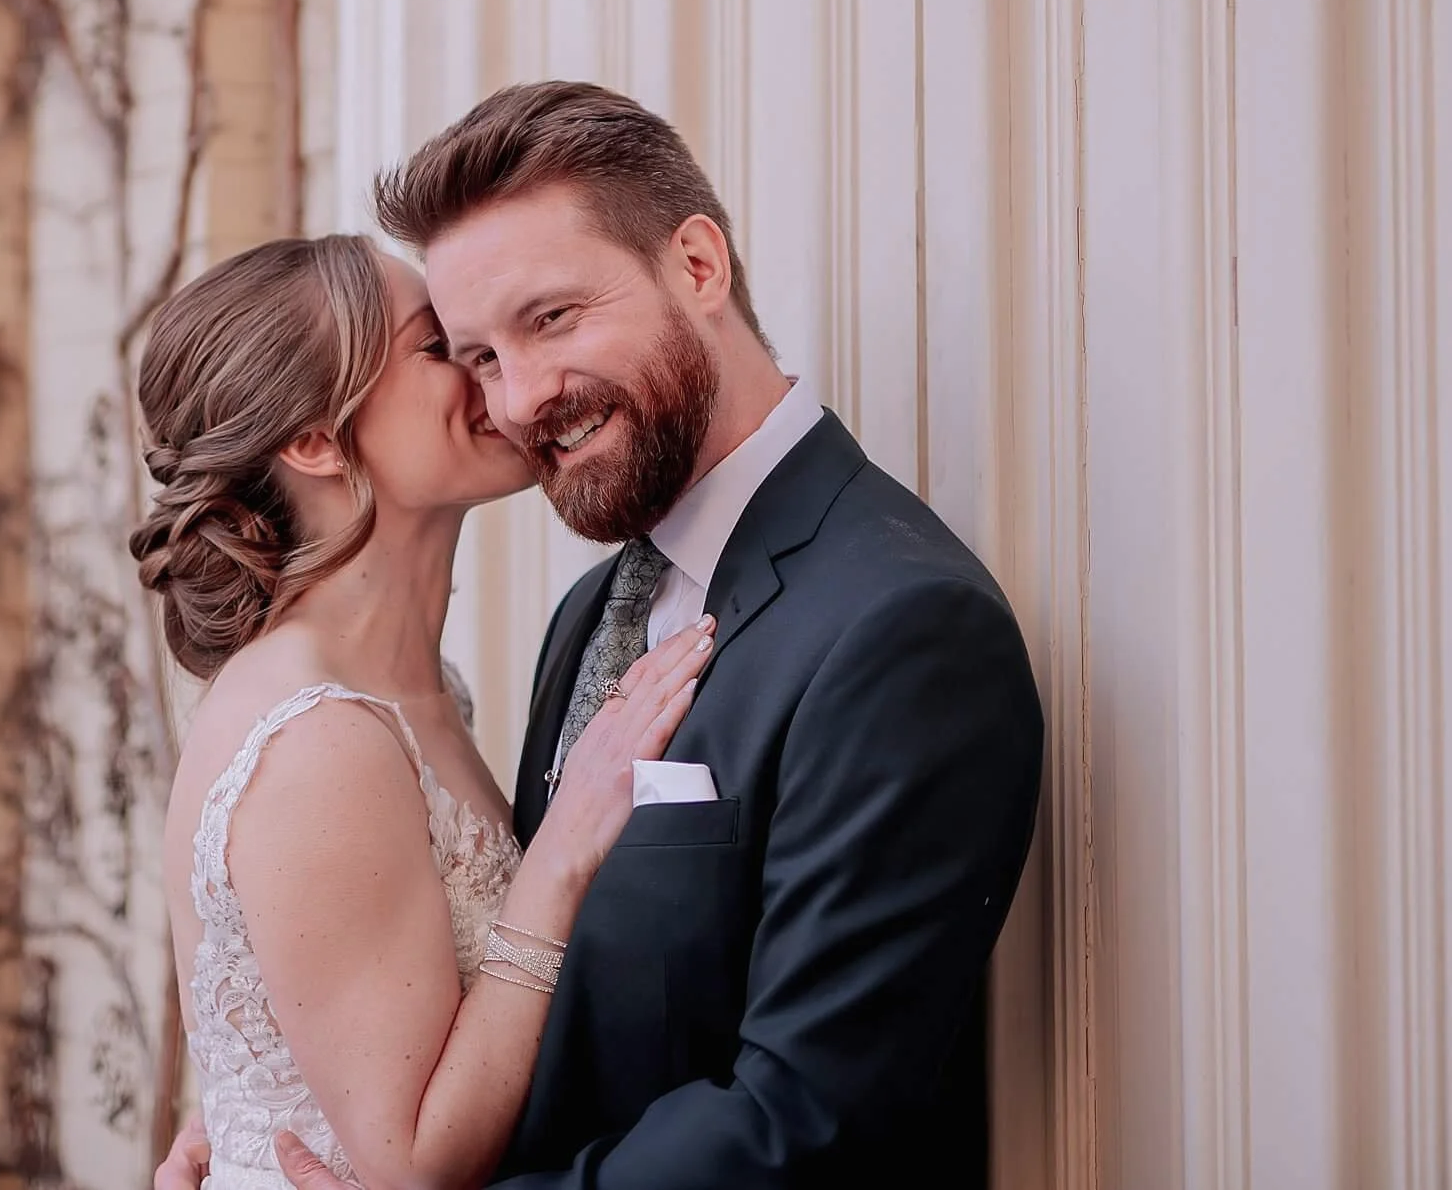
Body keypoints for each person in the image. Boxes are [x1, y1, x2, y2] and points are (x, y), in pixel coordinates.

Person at [156, 83, 1045, 1189]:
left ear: (698, 266)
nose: (517, 399)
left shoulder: (901, 631)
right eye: (473, 355)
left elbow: (806, 1120)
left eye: (552, 319)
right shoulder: (592, 613)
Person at [133, 234, 714, 1190]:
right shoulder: (318, 738)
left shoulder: (422, 687)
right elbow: (412, 1163)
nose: (492, 369)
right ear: (315, 441)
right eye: (437, 345)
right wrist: (563, 851)